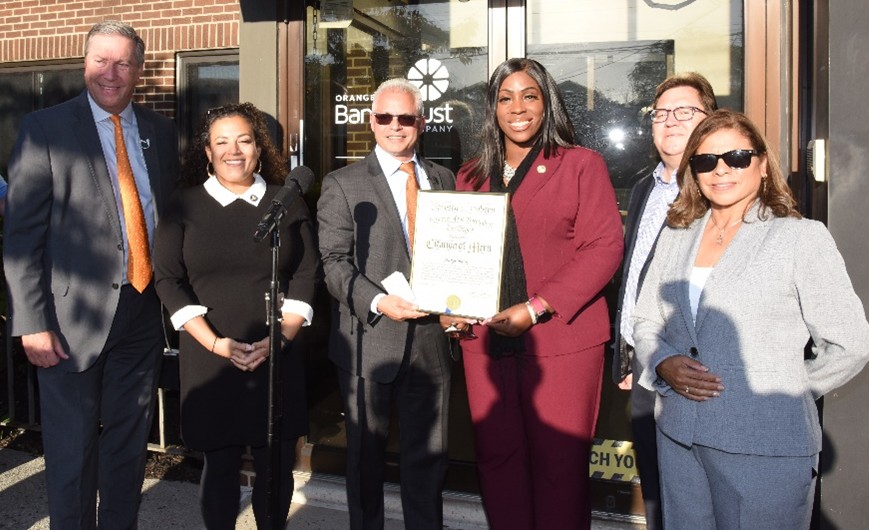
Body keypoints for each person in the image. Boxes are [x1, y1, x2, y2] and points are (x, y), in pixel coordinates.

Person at [632, 109, 869, 529]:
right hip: (680, 437)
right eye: (705, 161)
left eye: (737, 157)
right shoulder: (676, 233)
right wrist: (662, 363)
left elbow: (851, 344)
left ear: (761, 164)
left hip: (765, 446)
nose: (721, 170)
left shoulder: (800, 238)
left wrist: (779, 391)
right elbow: (646, 319)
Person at [2, 20, 177, 528]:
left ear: (139, 71)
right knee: (72, 456)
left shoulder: (160, 133)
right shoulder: (46, 128)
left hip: (142, 313)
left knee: (126, 449)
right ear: (84, 63)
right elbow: (21, 237)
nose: (111, 72)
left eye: (123, 62)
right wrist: (31, 322)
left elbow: (164, 219)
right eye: (101, 60)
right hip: (68, 320)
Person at [451, 58, 624, 530]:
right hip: (485, 344)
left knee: (558, 470)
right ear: (492, 109)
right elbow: (454, 253)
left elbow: (604, 247)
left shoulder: (581, 166)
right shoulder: (469, 176)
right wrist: (448, 305)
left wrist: (535, 307)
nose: (518, 107)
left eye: (530, 95)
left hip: (561, 342)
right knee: (496, 461)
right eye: (505, 98)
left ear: (547, 104)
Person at [153, 102, 319, 529]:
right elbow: (169, 279)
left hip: (277, 351)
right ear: (207, 152)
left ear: (259, 150)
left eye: (244, 140)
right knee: (220, 466)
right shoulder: (182, 206)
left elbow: (305, 272)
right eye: (221, 142)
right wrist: (214, 343)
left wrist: (281, 337)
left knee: (276, 468)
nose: (233, 151)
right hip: (210, 356)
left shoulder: (287, 203)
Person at [317, 78, 455, 530]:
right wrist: (377, 301)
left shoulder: (443, 178)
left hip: (431, 344)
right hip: (368, 342)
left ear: (422, 121)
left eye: (406, 118)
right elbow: (334, 264)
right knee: (364, 463)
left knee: (427, 462)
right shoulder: (341, 184)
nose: (395, 127)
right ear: (370, 121)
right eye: (385, 117)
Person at [611, 72, 717, 530]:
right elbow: (633, 277)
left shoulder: (721, 188)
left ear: (710, 120)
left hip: (698, 375)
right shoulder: (644, 189)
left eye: (685, 111)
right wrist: (627, 357)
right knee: (654, 492)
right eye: (661, 114)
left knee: (702, 502)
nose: (670, 121)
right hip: (646, 365)